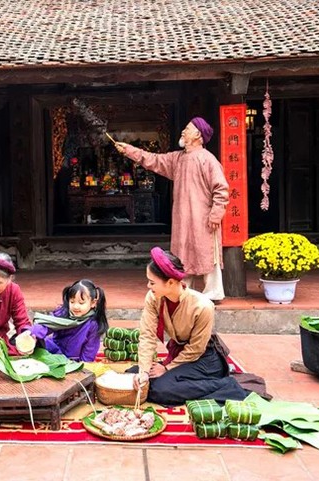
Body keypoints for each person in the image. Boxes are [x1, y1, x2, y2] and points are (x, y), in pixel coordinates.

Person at [115, 117, 229, 301]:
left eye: (187, 128)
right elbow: (153, 159)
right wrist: (129, 151)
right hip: (183, 216)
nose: (183, 131)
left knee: (207, 253)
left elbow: (221, 189)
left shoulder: (208, 160)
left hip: (204, 217)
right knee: (183, 253)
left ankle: (213, 293)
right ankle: (184, 290)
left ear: (198, 135)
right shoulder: (177, 158)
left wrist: (216, 215)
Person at [130, 247, 248, 406]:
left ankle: (226, 385)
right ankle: (172, 379)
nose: (148, 286)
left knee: (160, 390)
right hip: (179, 354)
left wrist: (166, 368)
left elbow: (196, 349)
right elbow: (147, 335)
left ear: (170, 282)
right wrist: (143, 372)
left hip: (204, 358)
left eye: (152, 282)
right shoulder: (153, 297)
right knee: (133, 376)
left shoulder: (203, 306)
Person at [26, 279, 108, 362]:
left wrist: (83, 366)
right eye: (72, 302)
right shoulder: (63, 313)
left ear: (93, 303)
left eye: (81, 303)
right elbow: (46, 326)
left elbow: (89, 351)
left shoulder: (93, 325)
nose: (76, 306)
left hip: (73, 361)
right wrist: (32, 333)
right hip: (54, 353)